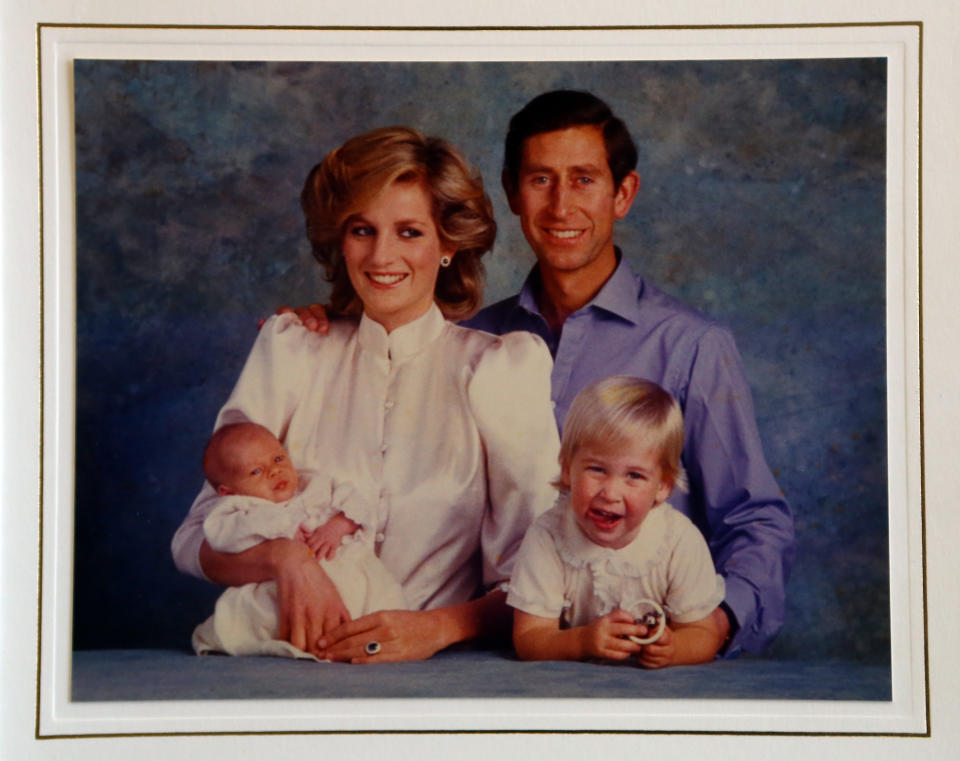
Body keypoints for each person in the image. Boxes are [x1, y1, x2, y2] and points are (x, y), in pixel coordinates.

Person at [288, 91, 795, 657]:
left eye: (583, 180)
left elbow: (753, 516)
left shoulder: (690, 346)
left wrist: (714, 627)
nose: (560, 207)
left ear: (622, 193)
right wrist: (327, 329)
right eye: (540, 180)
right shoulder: (475, 340)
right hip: (492, 659)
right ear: (511, 192)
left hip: (640, 664)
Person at [172, 126, 561, 663]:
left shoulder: (499, 370)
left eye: (409, 232)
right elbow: (195, 540)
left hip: (435, 681)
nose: (381, 256)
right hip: (283, 671)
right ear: (340, 239)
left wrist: (438, 629)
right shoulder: (292, 350)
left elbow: (543, 572)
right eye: (362, 230)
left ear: (448, 244)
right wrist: (287, 560)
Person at [509, 376, 726, 668]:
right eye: (596, 469)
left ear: (662, 486)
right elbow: (529, 638)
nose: (610, 493)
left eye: (634, 476)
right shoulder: (547, 537)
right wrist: (582, 641)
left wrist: (676, 650)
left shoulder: (678, 541)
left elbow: (704, 634)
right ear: (567, 470)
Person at [192, 422, 406, 659]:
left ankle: (374, 633)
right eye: (256, 471)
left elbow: (358, 506)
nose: (274, 472)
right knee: (256, 614)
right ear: (228, 492)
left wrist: (337, 527)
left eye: (278, 459)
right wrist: (279, 533)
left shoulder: (314, 485)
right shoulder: (238, 510)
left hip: (350, 566)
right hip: (287, 586)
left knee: (382, 595)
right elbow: (223, 537)